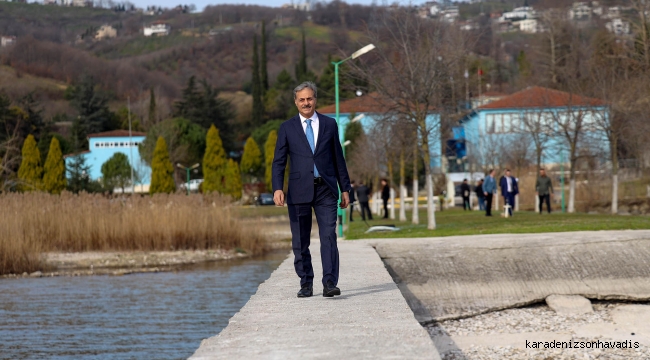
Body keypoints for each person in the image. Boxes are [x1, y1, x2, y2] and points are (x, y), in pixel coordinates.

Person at [272, 81, 351, 299]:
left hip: (326, 189)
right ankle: (306, 283)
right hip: (298, 191)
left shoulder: (329, 124)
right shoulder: (287, 128)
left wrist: (345, 188)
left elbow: (338, 158)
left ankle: (329, 283)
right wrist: (278, 187)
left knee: (328, 236)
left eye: (309, 98)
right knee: (300, 240)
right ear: (295, 102)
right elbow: (278, 161)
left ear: (315, 99)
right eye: (302, 100)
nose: (306, 103)